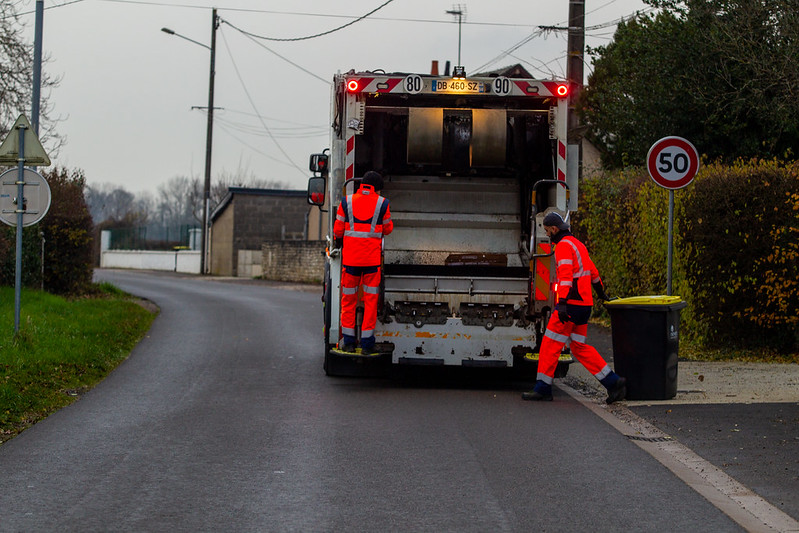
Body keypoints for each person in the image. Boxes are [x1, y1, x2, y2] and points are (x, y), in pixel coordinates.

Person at [522, 211, 627, 404]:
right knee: (578, 347)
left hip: (570, 306)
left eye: (547, 231)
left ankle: (543, 388)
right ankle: (613, 382)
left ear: (554, 229)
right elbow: (593, 273)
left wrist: (561, 304)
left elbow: (566, 277)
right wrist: (602, 294)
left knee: (549, 344)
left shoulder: (562, 246)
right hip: (585, 306)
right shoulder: (578, 244)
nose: (547, 235)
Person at [333, 171, 393, 355]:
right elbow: (388, 229)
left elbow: (338, 230)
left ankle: (349, 342)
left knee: (348, 301)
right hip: (371, 263)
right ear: (376, 188)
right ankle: (367, 345)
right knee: (370, 302)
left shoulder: (346, 202)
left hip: (350, 262)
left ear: (363, 185)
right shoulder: (382, 204)